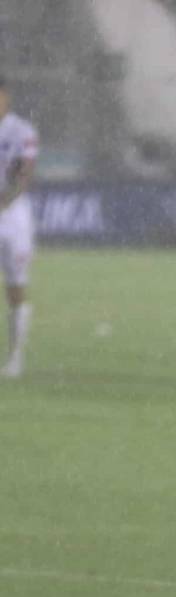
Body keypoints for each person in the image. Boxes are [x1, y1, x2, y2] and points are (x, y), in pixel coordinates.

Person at [0, 77, 37, 379]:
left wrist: (5, 200)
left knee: (15, 286)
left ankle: (15, 358)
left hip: (13, 216)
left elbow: (24, 174)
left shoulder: (21, 131)